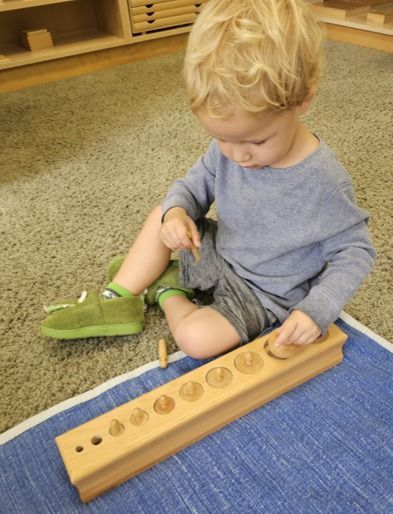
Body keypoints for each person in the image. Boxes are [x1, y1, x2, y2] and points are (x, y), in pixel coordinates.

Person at [41, 0, 376, 359]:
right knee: (161, 213)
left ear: (303, 101)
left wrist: (316, 310)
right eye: (222, 138)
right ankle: (118, 296)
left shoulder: (323, 179)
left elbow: (355, 252)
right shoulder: (231, 149)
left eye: (256, 141)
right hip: (215, 251)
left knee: (197, 340)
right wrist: (176, 216)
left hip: (264, 294)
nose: (236, 155)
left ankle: (168, 290)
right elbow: (189, 188)